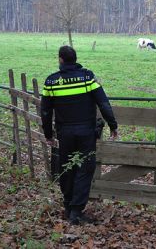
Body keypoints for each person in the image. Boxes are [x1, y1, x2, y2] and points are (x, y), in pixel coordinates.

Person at [41, 45, 118, 225]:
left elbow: (45, 111)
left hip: (64, 133)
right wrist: (113, 125)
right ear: (75, 59)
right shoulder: (87, 77)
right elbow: (103, 103)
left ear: (60, 59)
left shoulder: (51, 81)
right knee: (85, 169)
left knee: (67, 167)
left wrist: (48, 135)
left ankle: (69, 206)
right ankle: (76, 211)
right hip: (86, 132)